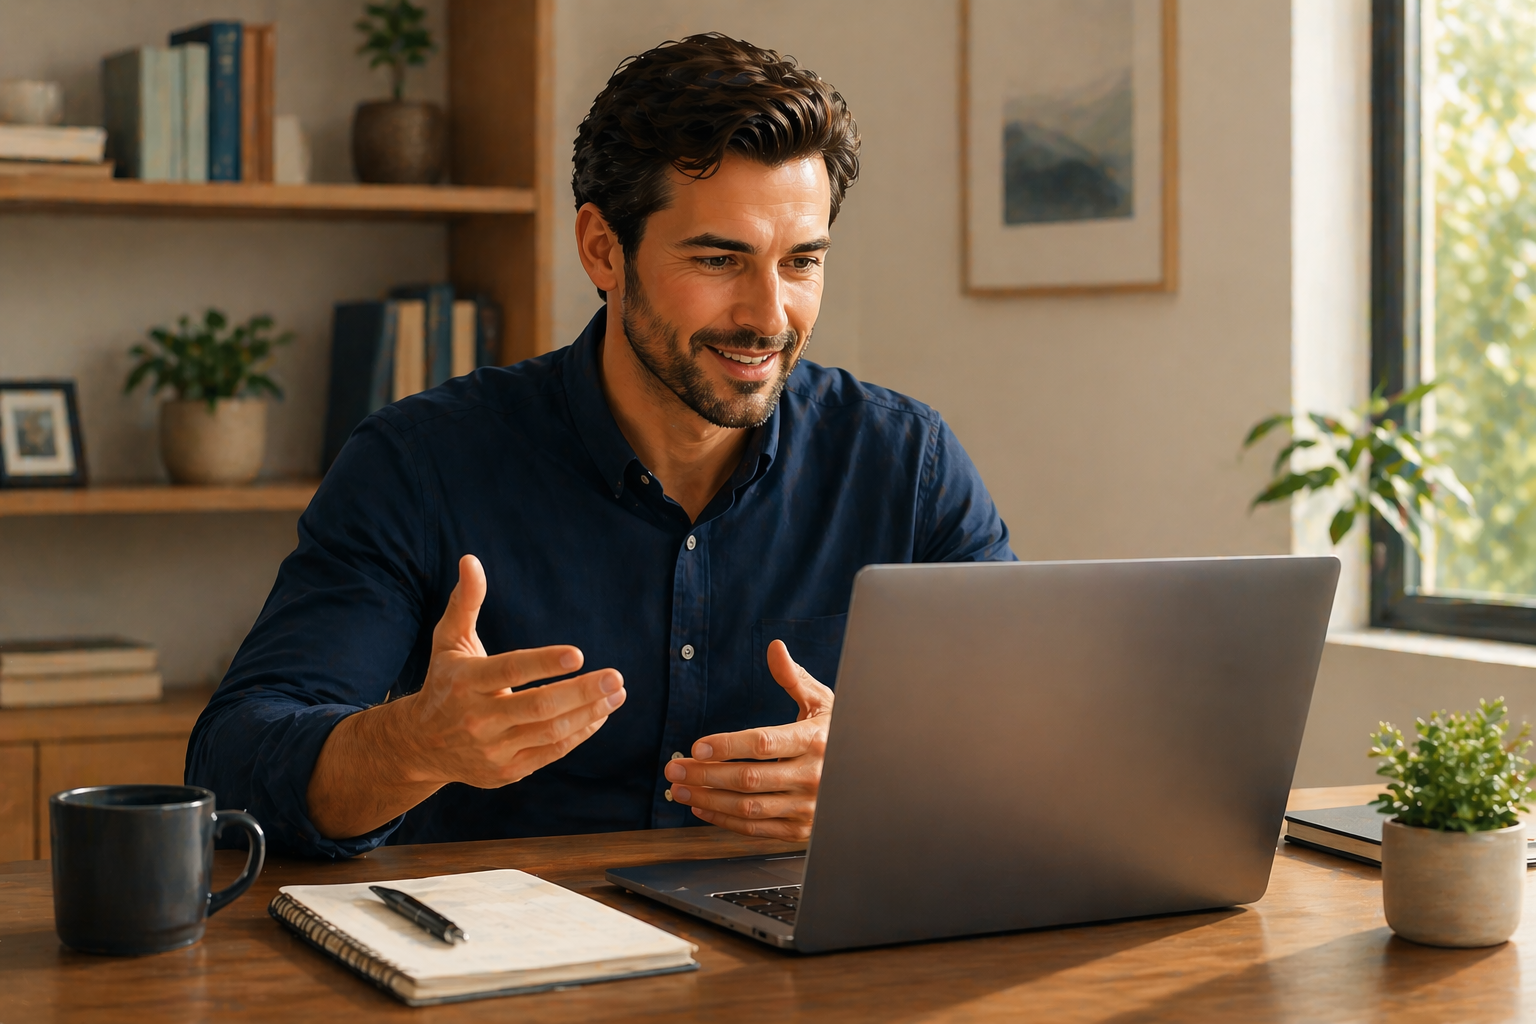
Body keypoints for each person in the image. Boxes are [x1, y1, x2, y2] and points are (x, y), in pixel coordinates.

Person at [187, 33, 1014, 858]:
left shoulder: (906, 466)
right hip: (507, 964)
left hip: (803, 958)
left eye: (801, 262)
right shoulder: (420, 463)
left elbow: (1038, 738)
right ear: (602, 249)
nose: (770, 315)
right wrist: (413, 745)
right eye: (720, 259)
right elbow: (232, 762)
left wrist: (880, 780)